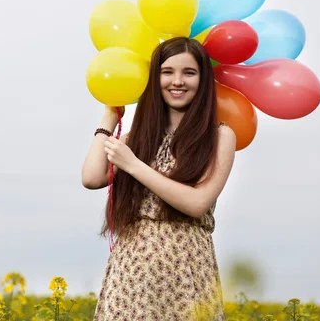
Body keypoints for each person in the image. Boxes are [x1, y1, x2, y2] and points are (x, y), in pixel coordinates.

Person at [81, 36, 236, 321]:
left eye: (189, 72)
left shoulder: (219, 137)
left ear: (203, 81)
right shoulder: (136, 140)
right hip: (131, 272)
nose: (177, 81)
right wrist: (108, 117)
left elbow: (197, 203)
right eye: (167, 72)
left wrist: (135, 165)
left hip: (186, 269)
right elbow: (91, 178)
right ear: (155, 79)